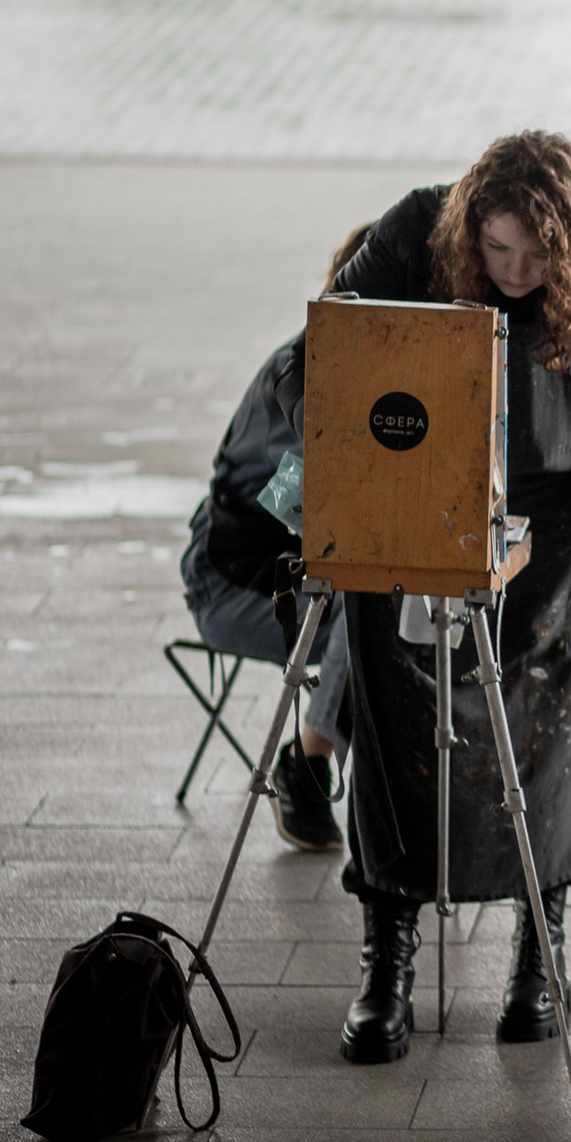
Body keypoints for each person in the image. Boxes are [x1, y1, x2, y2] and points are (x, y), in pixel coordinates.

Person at [305, 131, 571, 1062]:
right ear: (469, 226)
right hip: (418, 507)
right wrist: (363, 473)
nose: (517, 272)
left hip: (567, 526)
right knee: (398, 725)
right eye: (498, 249)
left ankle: (539, 948)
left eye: (539, 256)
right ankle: (387, 955)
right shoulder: (414, 230)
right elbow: (329, 352)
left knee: (547, 734)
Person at [180, 225, 370, 852]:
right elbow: (298, 508)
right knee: (374, 609)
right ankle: (307, 766)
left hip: (294, 575)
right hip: (235, 586)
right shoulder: (302, 375)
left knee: (406, 607)